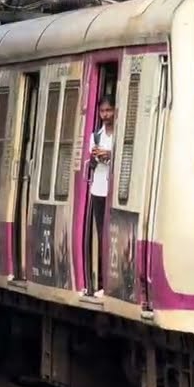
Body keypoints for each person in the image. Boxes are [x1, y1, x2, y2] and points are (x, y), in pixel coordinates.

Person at [85, 97, 116, 297]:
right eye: (102, 111)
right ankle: (102, 283)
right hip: (98, 189)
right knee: (102, 235)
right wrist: (99, 155)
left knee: (112, 236)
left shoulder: (119, 134)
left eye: (108, 110)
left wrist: (110, 154)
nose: (105, 115)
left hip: (113, 189)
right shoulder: (96, 136)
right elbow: (91, 156)